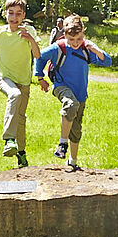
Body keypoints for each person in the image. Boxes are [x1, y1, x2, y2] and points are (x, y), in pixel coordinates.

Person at [34, 14, 112, 170]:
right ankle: (62, 144)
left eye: (79, 39)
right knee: (70, 104)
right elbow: (40, 57)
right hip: (61, 86)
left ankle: (73, 161)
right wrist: (40, 77)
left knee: (76, 129)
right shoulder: (59, 47)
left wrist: (95, 50)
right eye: (71, 39)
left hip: (80, 93)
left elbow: (107, 62)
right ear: (64, 34)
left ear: (83, 33)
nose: (75, 43)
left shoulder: (86, 48)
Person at [0, 0, 41, 168]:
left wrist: (30, 40)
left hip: (24, 80)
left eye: (18, 14)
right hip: (4, 77)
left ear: (23, 15)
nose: (14, 17)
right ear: (5, 14)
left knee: (21, 118)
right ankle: (8, 139)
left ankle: (21, 154)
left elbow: (38, 55)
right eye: (11, 13)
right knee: (14, 95)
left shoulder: (29, 31)